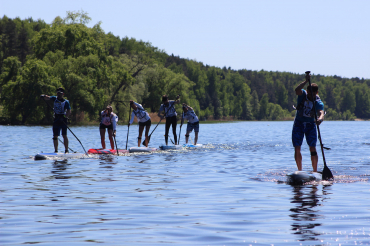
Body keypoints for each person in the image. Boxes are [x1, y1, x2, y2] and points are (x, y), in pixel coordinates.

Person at [292, 74, 325, 172]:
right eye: (310, 94)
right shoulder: (302, 95)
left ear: (317, 92)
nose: (311, 96)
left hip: (311, 125)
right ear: (307, 92)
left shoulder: (318, 102)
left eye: (313, 94)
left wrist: (320, 119)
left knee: (313, 148)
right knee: (297, 148)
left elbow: (321, 113)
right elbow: (296, 90)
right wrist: (306, 81)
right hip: (299, 124)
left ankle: (315, 171)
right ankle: (300, 171)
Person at [40, 87, 71, 153]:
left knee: (64, 135)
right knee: (55, 136)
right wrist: (43, 96)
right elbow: (47, 97)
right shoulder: (54, 98)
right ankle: (56, 151)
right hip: (56, 119)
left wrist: (65, 116)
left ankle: (66, 150)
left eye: (60, 93)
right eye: (58, 93)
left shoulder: (66, 102)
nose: (58, 95)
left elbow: (69, 111)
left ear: (63, 94)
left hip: (63, 119)